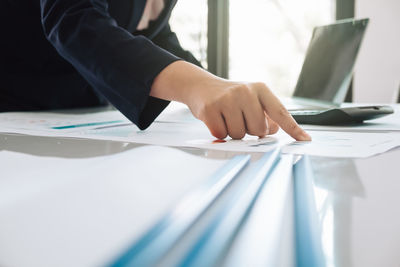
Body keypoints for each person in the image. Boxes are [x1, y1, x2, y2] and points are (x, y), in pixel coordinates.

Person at [0, 0, 311, 141]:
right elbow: (72, 19)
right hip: (15, 108)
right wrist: (195, 86)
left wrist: (216, 84)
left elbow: (156, 34)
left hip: (75, 117)